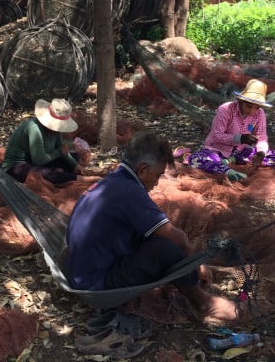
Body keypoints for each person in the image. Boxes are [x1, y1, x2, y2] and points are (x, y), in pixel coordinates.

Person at [66, 131, 240, 322]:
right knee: (167, 249)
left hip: (82, 272)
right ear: (142, 170)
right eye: (157, 175)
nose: (157, 183)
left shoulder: (114, 181)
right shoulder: (129, 192)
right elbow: (179, 240)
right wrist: (198, 265)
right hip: (96, 284)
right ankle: (204, 304)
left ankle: (190, 285)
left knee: (158, 237)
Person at [185, 79, 275, 181]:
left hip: (241, 152)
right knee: (195, 159)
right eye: (249, 106)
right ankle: (228, 172)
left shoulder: (260, 114)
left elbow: (262, 138)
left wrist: (261, 153)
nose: (252, 111)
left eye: (256, 107)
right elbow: (217, 135)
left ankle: (231, 161)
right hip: (218, 150)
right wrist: (240, 138)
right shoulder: (225, 109)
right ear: (241, 101)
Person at [2, 98, 98, 186]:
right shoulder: (34, 128)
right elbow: (39, 160)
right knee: (46, 174)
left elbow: (62, 150)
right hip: (18, 165)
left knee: (74, 157)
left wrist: (75, 165)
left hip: (39, 160)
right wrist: (59, 152)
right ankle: (78, 179)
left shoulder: (56, 130)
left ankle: (63, 175)